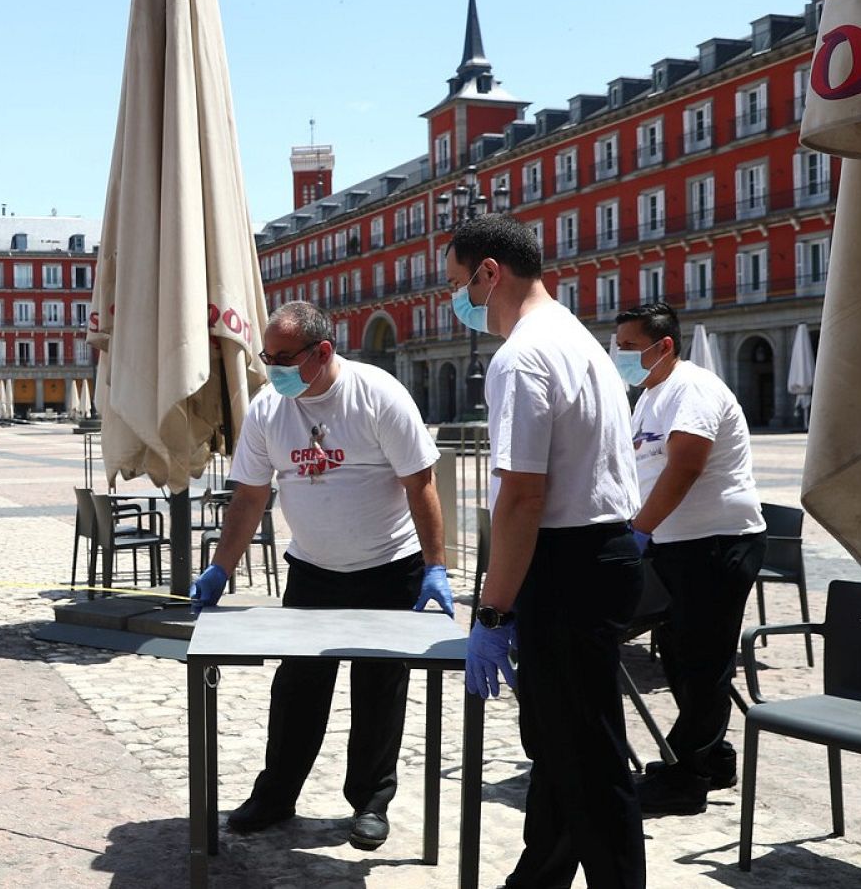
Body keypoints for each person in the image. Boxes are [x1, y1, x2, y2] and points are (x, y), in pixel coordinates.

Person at [190, 300, 452, 852]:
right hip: (312, 569)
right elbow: (249, 496)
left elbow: (421, 484)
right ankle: (276, 795)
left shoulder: (377, 394)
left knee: (379, 689)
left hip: (389, 568)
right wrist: (219, 567)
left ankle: (371, 802)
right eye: (267, 357)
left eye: (283, 358)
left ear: (323, 350)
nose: (273, 368)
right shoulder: (268, 409)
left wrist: (435, 567)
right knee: (298, 687)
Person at [450, 215, 645, 888]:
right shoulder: (578, 339)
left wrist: (493, 611)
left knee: (587, 756)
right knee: (562, 745)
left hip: (565, 565)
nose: (457, 301)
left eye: (459, 284)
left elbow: (522, 497)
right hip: (601, 554)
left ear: (489, 273)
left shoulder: (521, 357)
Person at [614, 302, 766, 815]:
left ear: (664, 346)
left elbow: (685, 466)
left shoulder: (692, 389)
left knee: (703, 660)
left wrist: (639, 530)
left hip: (716, 543)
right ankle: (713, 758)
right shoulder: (649, 396)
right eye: (619, 347)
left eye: (631, 347)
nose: (622, 356)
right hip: (675, 545)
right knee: (680, 655)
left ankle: (686, 780)